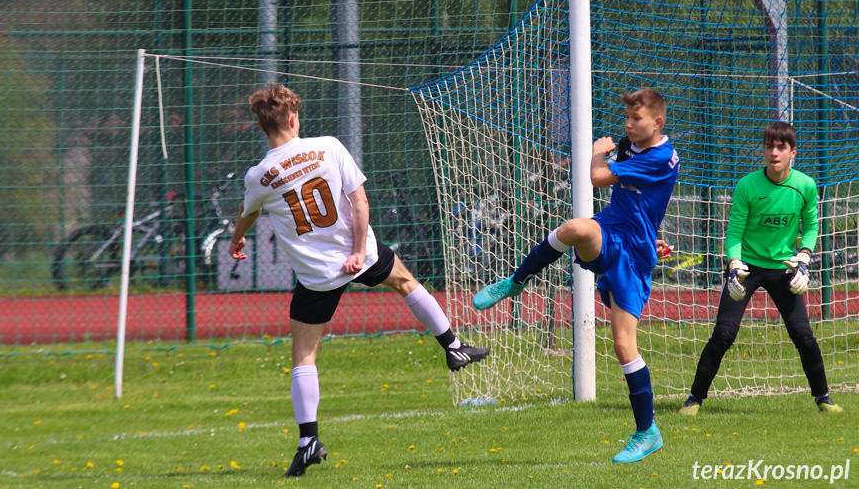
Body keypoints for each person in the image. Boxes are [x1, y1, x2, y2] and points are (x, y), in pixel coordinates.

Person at [228, 83, 490, 478]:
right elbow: (360, 201)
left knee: (304, 355)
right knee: (405, 282)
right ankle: (453, 347)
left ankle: (308, 442)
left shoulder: (260, 175)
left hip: (317, 276)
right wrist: (354, 251)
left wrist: (236, 237)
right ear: (294, 117)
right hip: (359, 255)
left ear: (262, 126)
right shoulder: (329, 146)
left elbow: (247, 213)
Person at [473, 88, 679, 464]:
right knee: (573, 229)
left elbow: (599, 177)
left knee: (622, 345)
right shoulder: (633, 144)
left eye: (637, 120)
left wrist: (598, 150)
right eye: (628, 119)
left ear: (658, 122)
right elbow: (638, 198)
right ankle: (516, 282)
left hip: (633, 255)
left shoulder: (661, 156)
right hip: (611, 229)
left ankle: (647, 432)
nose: (629, 126)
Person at [678, 121, 842, 415]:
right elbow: (734, 233)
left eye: (781, 147)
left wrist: (804, 257)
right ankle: (694, 399)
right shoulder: (747, 185)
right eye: (769, 147)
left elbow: (812, 226)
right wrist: (734, 264)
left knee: (803, 335)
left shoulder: (805, 185)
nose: (774, 152)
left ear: (793, 152)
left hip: (784, 267)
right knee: (724, 334)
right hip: (747, 268)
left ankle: (824, 399)